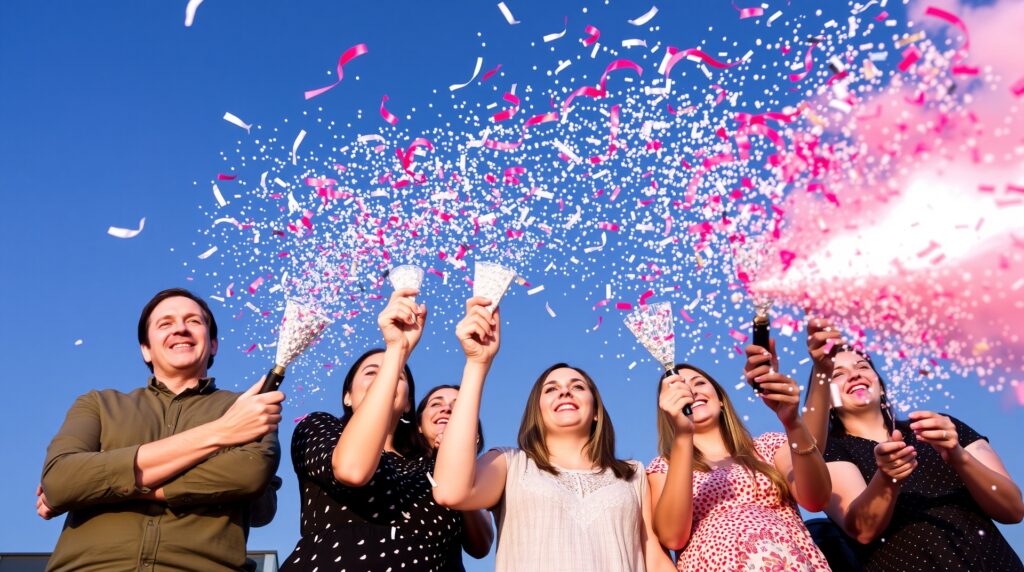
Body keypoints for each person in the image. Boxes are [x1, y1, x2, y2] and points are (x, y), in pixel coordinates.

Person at [37, 287, 284, 572]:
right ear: (146, 348)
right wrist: (221, 432)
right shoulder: (98, 404)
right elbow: (59, 480)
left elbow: (250, 475)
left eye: (193, 321)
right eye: (165, 323)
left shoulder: (247, 406)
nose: (180, 329)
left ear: (213, 343)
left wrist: (103, 486)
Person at [432, 297, 674, 572]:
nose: (564, 391)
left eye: (578, 386)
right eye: (551, 389)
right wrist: (477, 364)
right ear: (538, 410)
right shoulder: (511, 464)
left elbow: (653, 558)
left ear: (596, 410)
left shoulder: (633, 475)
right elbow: (450, 491)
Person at [281, 288, 465, 571]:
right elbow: (352, 470)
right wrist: (396, 351)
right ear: (347, 396)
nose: (385, 379)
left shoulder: (430, 468)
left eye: (397, 376)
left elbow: (478, 544)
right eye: (371, 373)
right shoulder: (320, 427)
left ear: (407, 405)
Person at [806, 343, 1024, 571]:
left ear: (880, 386)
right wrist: (887, 478)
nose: (855, 374)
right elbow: (862, 529)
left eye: (862, 366)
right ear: (826, 400)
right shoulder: (827, 452)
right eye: (838, 374)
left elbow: (1014, 509)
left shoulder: (940, 427)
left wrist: (958, 456)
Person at [648, 356, 832, 571]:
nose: (691, 392)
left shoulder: (768, 446)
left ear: (721, 399)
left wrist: (793, 423)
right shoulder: (664, 467)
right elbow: (672, 537)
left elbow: (816, 499)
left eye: (699, 383)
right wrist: (683, 435)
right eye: (679, 389)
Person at [416, 385, 495, 566]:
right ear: (419, 425)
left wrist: (453, 457)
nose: (446, 409)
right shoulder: (399, 467)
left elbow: (480, 546)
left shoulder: (481, 476)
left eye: (458, 406)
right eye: (436, 404)